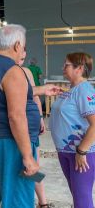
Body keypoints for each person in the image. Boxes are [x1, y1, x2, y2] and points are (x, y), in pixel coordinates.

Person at [0, 24, 60, 208]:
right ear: (17, 45)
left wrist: (41, 90)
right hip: (9, 145)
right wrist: (28, 156)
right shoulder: (13, 71)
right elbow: (16, 116)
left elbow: (0, 95)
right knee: (18, 201)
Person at [49, 52, 95, 208]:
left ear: (79, 68)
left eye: (66, 65)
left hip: (81, 154)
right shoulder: (72, 90)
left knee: (82, 199)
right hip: (66, 152)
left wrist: (82, 151)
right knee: (77, 197)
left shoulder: (84, 90)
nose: (63, 67)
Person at [18, 52, 51, 208]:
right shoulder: (4, 71)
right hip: (13, 124)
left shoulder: (27, 71)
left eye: (24, 55)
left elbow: (36, 95)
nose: (21, 56)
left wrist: (40, 118)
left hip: (29, 123)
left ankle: (43, 202)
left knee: (33, 163)